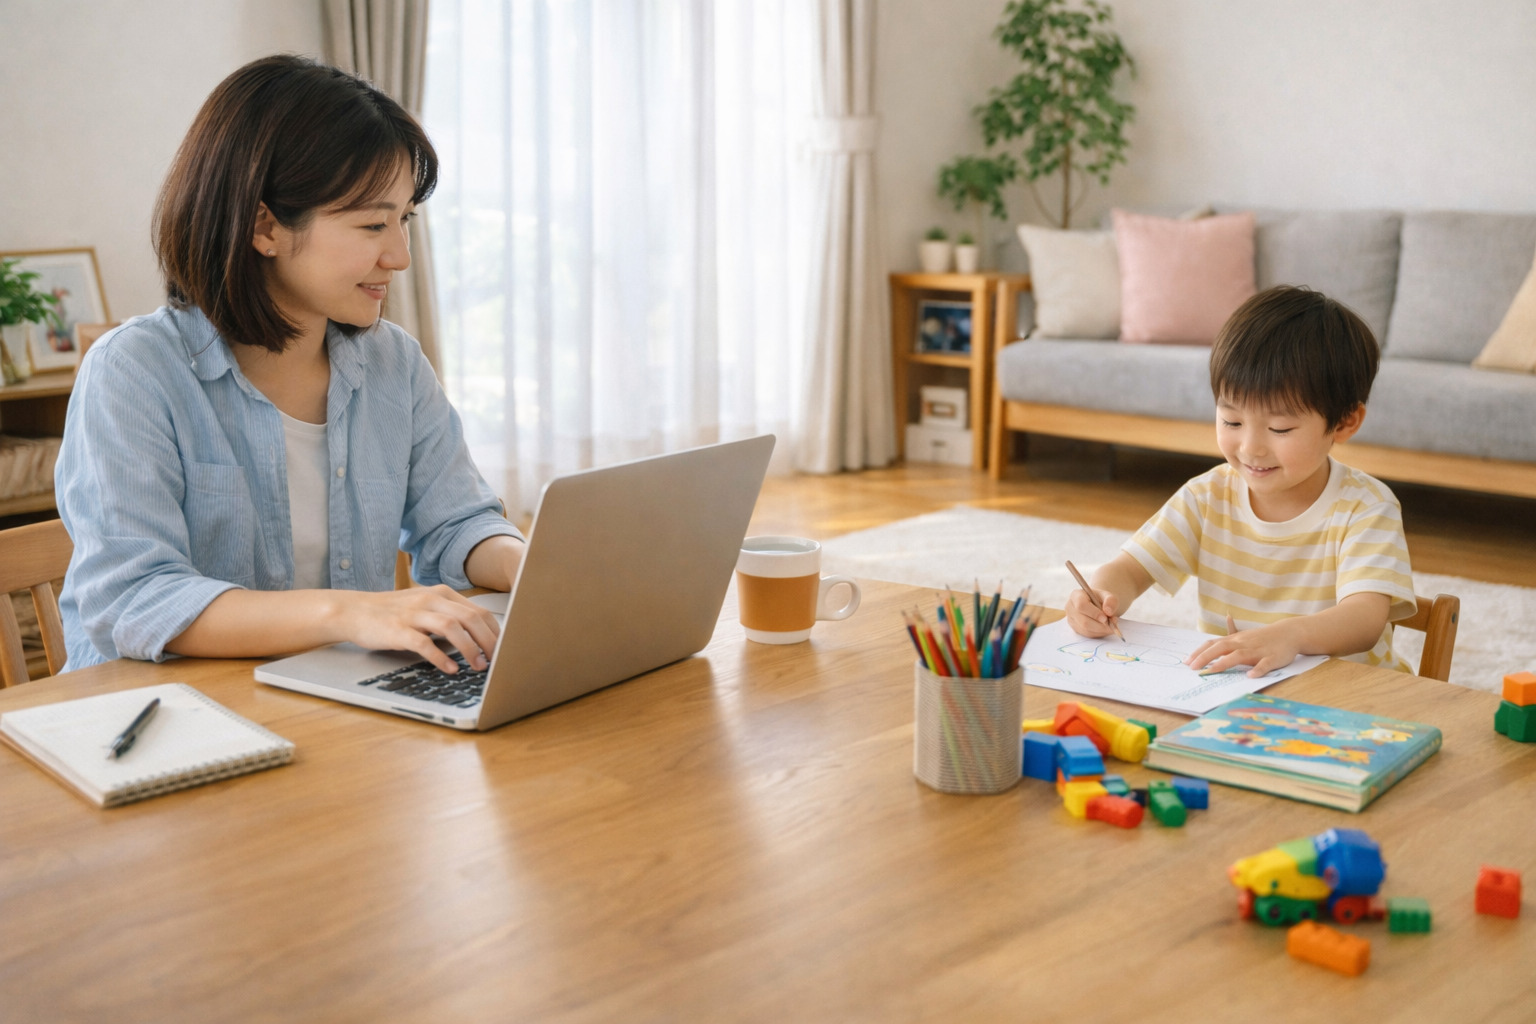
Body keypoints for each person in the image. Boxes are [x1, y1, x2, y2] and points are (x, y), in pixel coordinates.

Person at [55, 55, 525, 675]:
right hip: (162, 719)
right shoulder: (134, 372)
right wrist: (353, 614)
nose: (400, 256)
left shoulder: (393, 363)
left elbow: (457, 520)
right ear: (264, 226)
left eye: (404, 220)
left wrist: (540, 566)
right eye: (373, 223)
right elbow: (137, 597)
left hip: (331, 701)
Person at [1065, 285, 1417, 677]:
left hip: (1349, 701)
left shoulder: (1366, 506)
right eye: (1232, 421)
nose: (1251, 448)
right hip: (1240, 700)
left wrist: (1290, 636)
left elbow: (1364, 618)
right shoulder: (1207, 496)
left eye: (1280, 428)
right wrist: (1100, 597)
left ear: (1345, 422)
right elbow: (1129, 570)